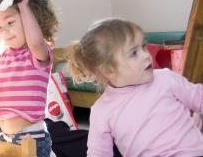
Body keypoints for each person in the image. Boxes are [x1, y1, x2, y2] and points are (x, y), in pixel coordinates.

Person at [67, 18, 203, 156]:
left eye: (144, 46)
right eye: (134, 53)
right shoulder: (102, 111)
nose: (146, 55)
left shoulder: (166, 78)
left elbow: (199, 97)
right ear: (108, 70)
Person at [0, 0, 59, 157]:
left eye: (10, 23)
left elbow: (34, 41)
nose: (4, 31)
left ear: (33, 18)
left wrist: (25, 6)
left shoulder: (38, 53)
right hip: (5, 138)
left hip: (31, 138)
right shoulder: (5, 56)